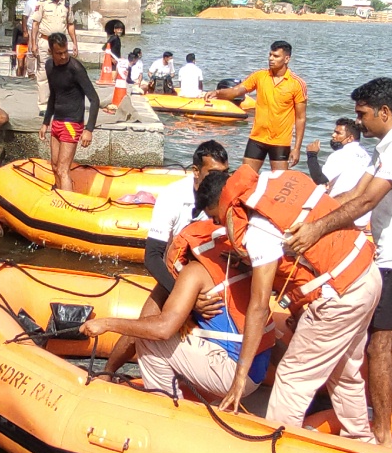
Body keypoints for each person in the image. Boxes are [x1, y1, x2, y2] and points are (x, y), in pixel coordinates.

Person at [283, 77, 392, 447]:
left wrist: (317, 230)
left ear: (384, 112)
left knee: (377, 343)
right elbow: (353, 193)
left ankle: (381, 434)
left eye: (363, 115)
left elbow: (366, 203)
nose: (359, 123)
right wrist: (308, 211)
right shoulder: (388, 145)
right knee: (389, 334)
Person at [208, 165, 381, 440]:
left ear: (223, 206)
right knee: (345, 369)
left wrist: (239, 376)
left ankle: (277, 451)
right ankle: (362, 440)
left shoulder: (258, 229)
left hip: (340, 296)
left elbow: (259, 306)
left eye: (216, 218)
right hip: (366, 275)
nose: (219, 226)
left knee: (292, 377)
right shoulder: (276, 179)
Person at [83, 170, 275, 403]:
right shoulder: (233, 257)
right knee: (171, 328)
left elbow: (159, 329)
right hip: (258, 365)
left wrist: (106, 324)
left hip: (235, 374)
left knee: (149, 339)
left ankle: (166, 405)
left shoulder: (193, 272)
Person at [142, 139, 229, 293]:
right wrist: (183, 297)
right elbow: (152, 256)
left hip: (214, 271)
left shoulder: (229, 195)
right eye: (214, 174)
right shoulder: (172, 196)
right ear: (196, 171)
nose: (221, 180)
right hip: (178, 272)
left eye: (225, 173)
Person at [209, 41, 307, 172]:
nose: (271, 59)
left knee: (277, 183)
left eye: (276, 56)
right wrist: (218, 93)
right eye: (270, 55)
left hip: (280, 141)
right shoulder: (259, 76)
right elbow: (237, 91)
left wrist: (296, 149)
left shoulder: (297, 83)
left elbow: (300, 118)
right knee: (245, 178)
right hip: (257, 138)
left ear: (287, 59)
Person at [41, 33, 99, 192]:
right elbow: (53, 94)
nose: (64, 56)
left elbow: (95, 99)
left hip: (72, 123)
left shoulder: (76, 68)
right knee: (54, 166)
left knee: (62, 169)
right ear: (50, 52)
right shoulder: (49, 66)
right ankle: (58, 198)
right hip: (57, 121)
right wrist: (46, 122)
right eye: (59, 53)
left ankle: (66, 206)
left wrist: (89, 130)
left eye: (65, 51)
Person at [305, 118, 370, 225]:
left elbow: (320, 179)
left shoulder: (340, 155)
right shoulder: (366, 155)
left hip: (343, 215)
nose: (333, 135)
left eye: (338, 133)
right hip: (363, 216)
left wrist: (311, 155)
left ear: (350, 138)